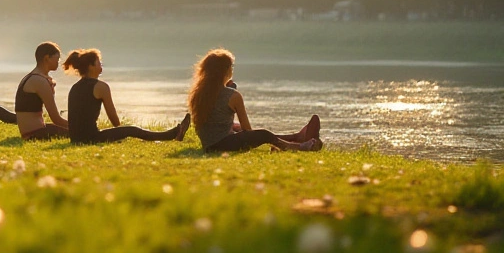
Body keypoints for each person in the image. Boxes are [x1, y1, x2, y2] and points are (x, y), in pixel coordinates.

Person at [188, 49, 323, 153]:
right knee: (263, 134)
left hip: (208, 144)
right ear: (226, 70)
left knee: (254, 133)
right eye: (231, 67)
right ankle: (299, 146)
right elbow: (248, 130)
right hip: (222, 145)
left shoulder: (199, 93)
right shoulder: (232, 95)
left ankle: (296, 137)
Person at [63, 48, 189, 144]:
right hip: (91, 138)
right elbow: (114, 120)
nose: (101, 66)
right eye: (99, 63)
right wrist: (119, 132)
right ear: (91, 66)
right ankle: (173, 134)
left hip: (76, 139)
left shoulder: (75, 87)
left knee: (127, 131)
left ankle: (173, 133)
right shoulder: (101, 87)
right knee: (131, 130)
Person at [16, 42, 69, 141]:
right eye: (57, 59)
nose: (58, 62)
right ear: (47, 58)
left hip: (32, 131)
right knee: (82, 133)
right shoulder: (39, 81)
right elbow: (56, 119)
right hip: (34, 134)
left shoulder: (32, 77)